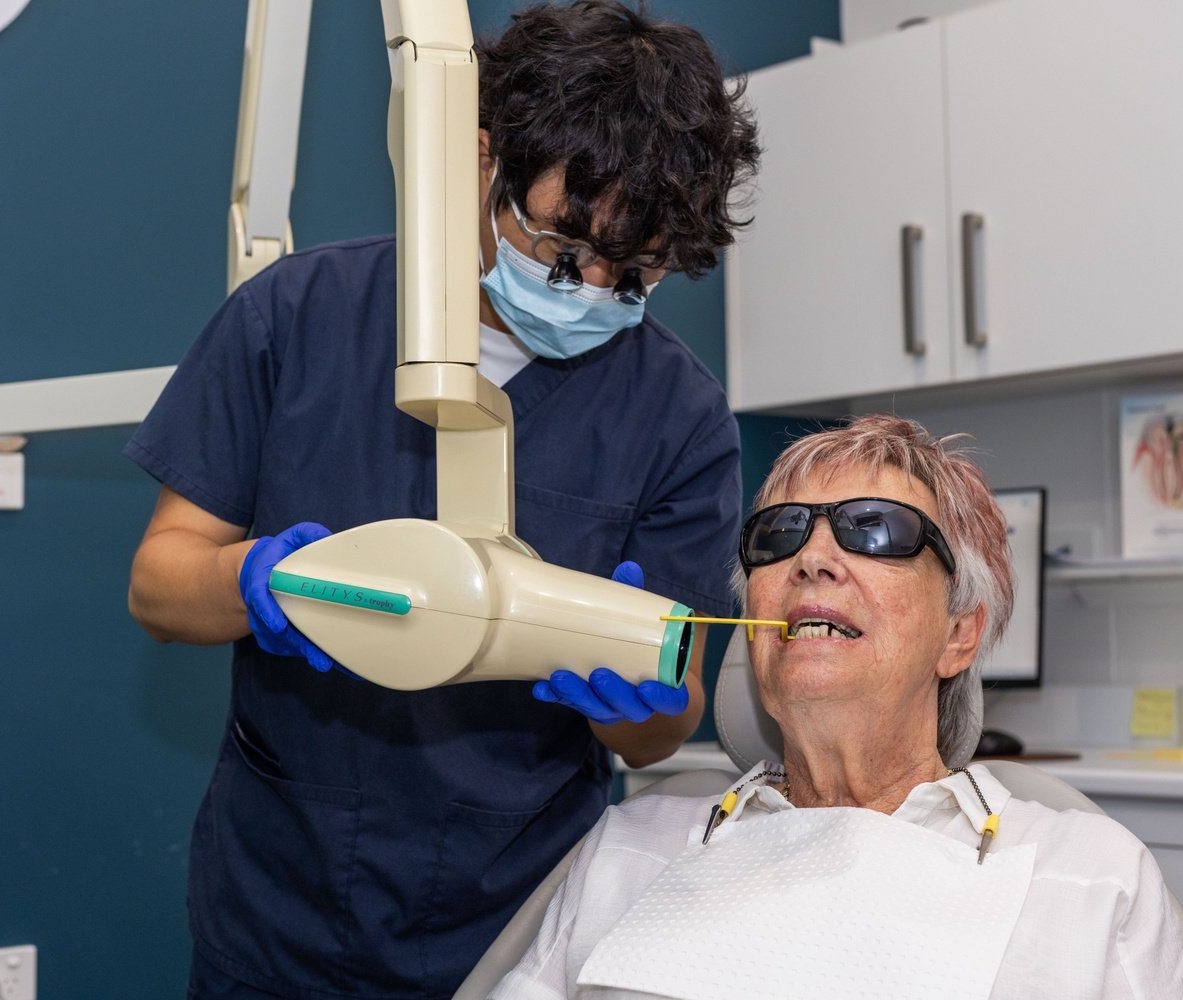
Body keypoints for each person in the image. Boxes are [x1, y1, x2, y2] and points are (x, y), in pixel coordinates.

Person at [124, 3, 760, 996]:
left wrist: (636, 702)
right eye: (560, 249)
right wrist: (253, 582)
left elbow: (663, 726)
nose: (587, 290)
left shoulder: (678, 419)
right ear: (476, 160)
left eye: (631, 278)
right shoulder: (298, 318)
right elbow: (159, 586)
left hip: (515, 913)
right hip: (277, 890)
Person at [492, 414, 1183, 999]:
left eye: (876, 529)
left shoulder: (1091, 878)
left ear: (960, 634)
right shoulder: (628, 847)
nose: (813, 558)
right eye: (779, 534)